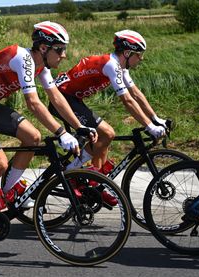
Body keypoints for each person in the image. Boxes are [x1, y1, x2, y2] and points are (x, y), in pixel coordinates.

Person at [0, 21, 95, 244]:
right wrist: (61, 133)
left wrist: (79, 127)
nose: (64, 55)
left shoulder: (40, 65)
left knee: (33, 137)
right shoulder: (23, 59)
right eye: (60, 49)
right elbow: (34, 104)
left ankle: (8, 192)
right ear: (44, 48)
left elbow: (55, 98)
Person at [49, 29, 167, 206]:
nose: (141, 58)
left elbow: (136, 94)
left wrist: (156, 119)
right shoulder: (111, 64)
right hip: (62, 99)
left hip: (73, 98)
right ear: (127, 53)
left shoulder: (120, 66)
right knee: (107, 133)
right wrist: (149, 126)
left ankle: (89, 179)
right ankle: (87, 178)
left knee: (102, 137)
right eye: (139, 54)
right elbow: (127, 100)